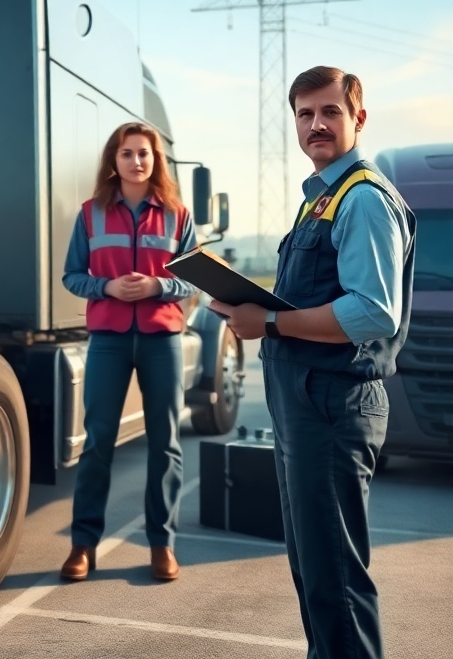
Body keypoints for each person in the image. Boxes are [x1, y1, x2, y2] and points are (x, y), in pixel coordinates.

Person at [211, 66, 415, 659]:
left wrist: (269, 323)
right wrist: (253, 305)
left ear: (358, 118)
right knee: (315, 574)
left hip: (334, 407)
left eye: (330, 112)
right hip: (306, 406)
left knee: (336, 584)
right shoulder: (321, 198)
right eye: (305, 114)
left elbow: (373, 313)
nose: (317, 124)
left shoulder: (364, 200)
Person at [59, 121, 198, 583]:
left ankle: (162, 544)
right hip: (109, 341)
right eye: (127, 153)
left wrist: (158, 285)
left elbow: (196, 278)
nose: (136, 161)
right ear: (113, 161)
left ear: (155, 160)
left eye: (144, 153)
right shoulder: (90, 213)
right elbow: (73, 276)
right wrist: (108, 286)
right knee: (98, 443)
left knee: (166, 444)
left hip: (162, 340)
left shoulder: (178, 214)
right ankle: (83, 546)